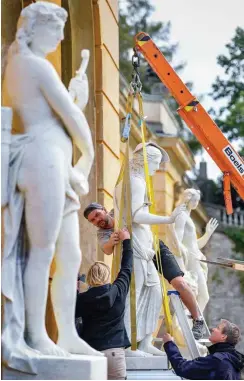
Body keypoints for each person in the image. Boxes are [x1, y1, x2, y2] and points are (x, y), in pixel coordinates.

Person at [83, 202, 205, 341]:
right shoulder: (102, 233)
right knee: (139, 296)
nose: (97, 220)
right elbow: (106, 249)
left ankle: (198, 319)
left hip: (154, 248)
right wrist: (111, 241)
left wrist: (142, 203)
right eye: (92, 220)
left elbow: (136, 206)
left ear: (104, 210)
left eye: (97, 215)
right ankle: (138, 338)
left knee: (181, 284)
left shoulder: (118, 209)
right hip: (137, 259)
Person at [75, 228, 132, 380]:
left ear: (89, 278)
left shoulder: (82, 299)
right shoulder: (118, 290)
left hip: (90, 352)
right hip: (114, 352)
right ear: (107, 274)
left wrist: (75, 291)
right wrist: (126, 241)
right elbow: (127, 268)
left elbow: (70, 316)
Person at [162, 319, 244, 380]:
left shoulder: (217, 359)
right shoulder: (233, 360)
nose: (213, 329)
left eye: (218, 328)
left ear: (223, 337)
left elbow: (182, 368)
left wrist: (169, 344)